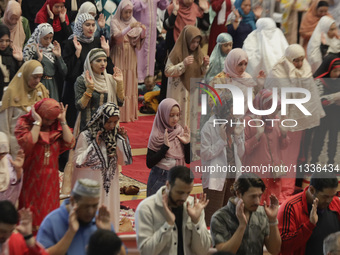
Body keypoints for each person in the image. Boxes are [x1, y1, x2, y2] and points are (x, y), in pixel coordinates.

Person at [265, 44, 325, 196]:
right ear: (289, 59)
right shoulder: (277, 72)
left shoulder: (305, 69)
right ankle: (274, 190)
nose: (298, 64)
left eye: (301, 60)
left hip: (298, 124)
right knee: (279, 156)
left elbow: (310, 97)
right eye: (295, 61)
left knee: (291, 158)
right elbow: (276, 96)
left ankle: (287, 189)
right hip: (281, 121)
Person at [15, 98, 75, 233]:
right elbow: (29, 142)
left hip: (51, 182)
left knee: (50, 212)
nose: (49, 123)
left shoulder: (56, 128)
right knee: (31, 213)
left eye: (52, 120)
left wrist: (62, 120)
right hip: (31, 181)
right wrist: (37, 122)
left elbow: (70, 142)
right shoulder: (25, 125)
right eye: (47, 119)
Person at [73, 102, 128, 230]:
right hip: (92, 182)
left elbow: (123, 161)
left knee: (109, 211)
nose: (112, 126)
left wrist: (123, 141)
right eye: (109, 122)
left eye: (115, 122)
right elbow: (78, 162)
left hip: (109, 185)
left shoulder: (114, 136)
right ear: (100, 118)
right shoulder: (86, 136)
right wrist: (94, 146)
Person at [135, 166, 211, 255]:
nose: (184, 198)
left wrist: (196, 222)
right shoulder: (147, 208)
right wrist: (168, 225)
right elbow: (146, 252)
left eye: (188, 193)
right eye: (180, 192)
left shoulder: (194, 206)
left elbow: (203, 251)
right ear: (168, 185)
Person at [37, 178, 123, 255]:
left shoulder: (100, 220)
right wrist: (70, 233)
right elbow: (42, 253)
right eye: (86, 206)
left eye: (94, 206)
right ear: (72, 201)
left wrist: (107, 233)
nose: (90, 211)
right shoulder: (52, 221)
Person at [201, 92, 245, 226]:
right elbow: (205, 154)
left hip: (232, 176)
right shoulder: (209, 126)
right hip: (216, 177)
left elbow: (242, 153)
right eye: (232, 107)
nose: (235, 111)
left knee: (229, 216)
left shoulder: (235, 123)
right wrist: (221, 140)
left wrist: (237, 137)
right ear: (225, 107)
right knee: (212, 216)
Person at [210, 173, 281, 255]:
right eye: (253, 196)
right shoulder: (220, 217)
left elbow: (275, 250)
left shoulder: (261, 212)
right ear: (239, 194)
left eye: (259, 196)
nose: (257, 202)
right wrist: (242, 226)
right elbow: (224, 253)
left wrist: (272, 220)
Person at [62, 13, 111, 128]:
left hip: (95, 92)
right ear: (79, 26)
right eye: (87, 25)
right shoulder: (70, 43)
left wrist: (107, 53)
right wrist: (77, 55)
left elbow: (108, 71)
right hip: (76, 92)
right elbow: (68, 74)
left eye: (93, 25)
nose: (91, 28)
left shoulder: (98, 42)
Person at [278, 172, 340, 255]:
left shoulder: (336, 203)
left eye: (332, 196)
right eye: (325, 196)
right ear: (311, 190)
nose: (329, 201)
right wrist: (309, 225)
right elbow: (283, 247)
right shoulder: (290, 207)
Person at [0, 60, 49, 158]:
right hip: (17, 148)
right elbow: (4, 125)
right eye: (35, 77)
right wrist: (5, 150)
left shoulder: (40, 90)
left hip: (37, 144)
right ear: (26, 75)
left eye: (40, 77)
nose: (37, 81)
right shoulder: (12, 92)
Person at [165, 25, 209, 128]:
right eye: (192, 42)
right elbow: (167, 71)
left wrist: (204, 65)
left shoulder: (198, 54)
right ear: (186, 40)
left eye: (197, 42)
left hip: (191, 91)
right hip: (178, 91)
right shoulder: (176, 53)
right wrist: (183, 64)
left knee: (190, 116)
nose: (195, 45)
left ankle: (188, 138)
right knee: (178, 114)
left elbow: (201, 73)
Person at [146, 98, 190, 197]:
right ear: (163, 115)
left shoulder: (179, 131)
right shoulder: (157, 135)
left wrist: (187, 144)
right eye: (171, 115)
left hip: (178, 176)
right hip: (161, 176)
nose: (175, 119)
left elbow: (188, 160)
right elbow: (149, 163)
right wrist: (164, 148)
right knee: (157, 209)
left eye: (177, 115)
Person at [110, 0, 146, 122]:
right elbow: (117, 37)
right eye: (126, 12)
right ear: (120, 11)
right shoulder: (114, 21)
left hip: (130, 55)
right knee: (119, 80)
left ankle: (128, 113)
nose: (128, 14)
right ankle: (116, 114)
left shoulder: (133, 21)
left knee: (129, 82)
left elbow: (137, 42)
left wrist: (143, 33)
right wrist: (130, 27)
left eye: (130, 12)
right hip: (119, 53)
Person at [74, 48, 124, 131]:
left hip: (108, 127)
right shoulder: (82, 80)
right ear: (90, 63)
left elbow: (120, 102)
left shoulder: (110, 79)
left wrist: (119, 83)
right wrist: (90, 89)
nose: (103, 64)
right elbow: (80, 106)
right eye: (98, 61)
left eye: (105, 60)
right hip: (88, 126)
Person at [23, 23, 68, 101]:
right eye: (45, 38)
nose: (48, 41)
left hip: (53, 85)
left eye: (51, 38)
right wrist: (39, 59)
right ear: (39, 36)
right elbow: (28, 72)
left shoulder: (52, 50)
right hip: (39, 85)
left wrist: (58, 56)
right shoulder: (32, 50)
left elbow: (64, 72)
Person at [311, 54, 340, 165]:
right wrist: (335, 97)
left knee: (333, 139)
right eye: (335, 71)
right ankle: (314, 162)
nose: (337, 74)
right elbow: (319, 100)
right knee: (319, 138)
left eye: (339, 71)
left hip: (336, 115)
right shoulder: (319, 81)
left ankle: (331, 163)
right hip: (323, 115)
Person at [132, 0, 168, 83]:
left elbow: (163, 6)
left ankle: (149, 80)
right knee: (139, 53)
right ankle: (138, 80)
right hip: (139, 29)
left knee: (150, 55)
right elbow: (133, 7)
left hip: (152, 31)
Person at [0, 132, 24, 205]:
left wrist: (18, 170)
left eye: (3, 153)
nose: (1, 156)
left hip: (6, 209)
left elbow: (14, 183)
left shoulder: (7, 158)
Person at [0, 24, 23, 100]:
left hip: (11, 93)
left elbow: (19, 75)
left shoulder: (12, 54)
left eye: (7, 41)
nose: (4, 44)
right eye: (1, 41)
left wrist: (19, 61)